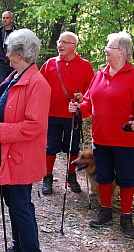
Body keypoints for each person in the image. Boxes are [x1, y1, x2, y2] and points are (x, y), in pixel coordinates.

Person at [0, 28, 50, 251]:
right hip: (9, 153)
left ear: (20, 54)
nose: (6, 55)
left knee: (20, 206)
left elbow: (35, 125)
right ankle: (18, 245)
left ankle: (29, 249)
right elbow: (4, 109)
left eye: (9, 51)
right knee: (14, 203)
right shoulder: (14, 77)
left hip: (22, 155)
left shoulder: (37, 83)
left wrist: (2, 130)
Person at [69, 31, 134, 239]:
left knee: (126, 179)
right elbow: (89, 103)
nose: (105, 50)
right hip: (101, 138)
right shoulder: (99, 75)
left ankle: (126, 217)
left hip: (124, 139)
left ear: (122, 52)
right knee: (103, 176)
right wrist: (79, 108)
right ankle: (105, 212)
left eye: (109, 47)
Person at [40, 31, 94, 195]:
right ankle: (47, 177)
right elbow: (39, 87)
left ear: (74, 46)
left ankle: (71, 176)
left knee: (72, 148)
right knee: (50, 147)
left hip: (73, 116)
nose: (60, 45)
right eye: (59, 41)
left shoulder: (85, 65)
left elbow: (92, 91)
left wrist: (82, 96)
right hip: (51, 113)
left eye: (65, 42)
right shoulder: (50, 64)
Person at [0, 11, 18, 85]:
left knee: (13, 84)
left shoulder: (17, 33)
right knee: (2, 85)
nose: (5, 20)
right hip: (1, 64)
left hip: (14, 63)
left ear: (11, 20)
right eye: (3, 18)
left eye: (7, 18)